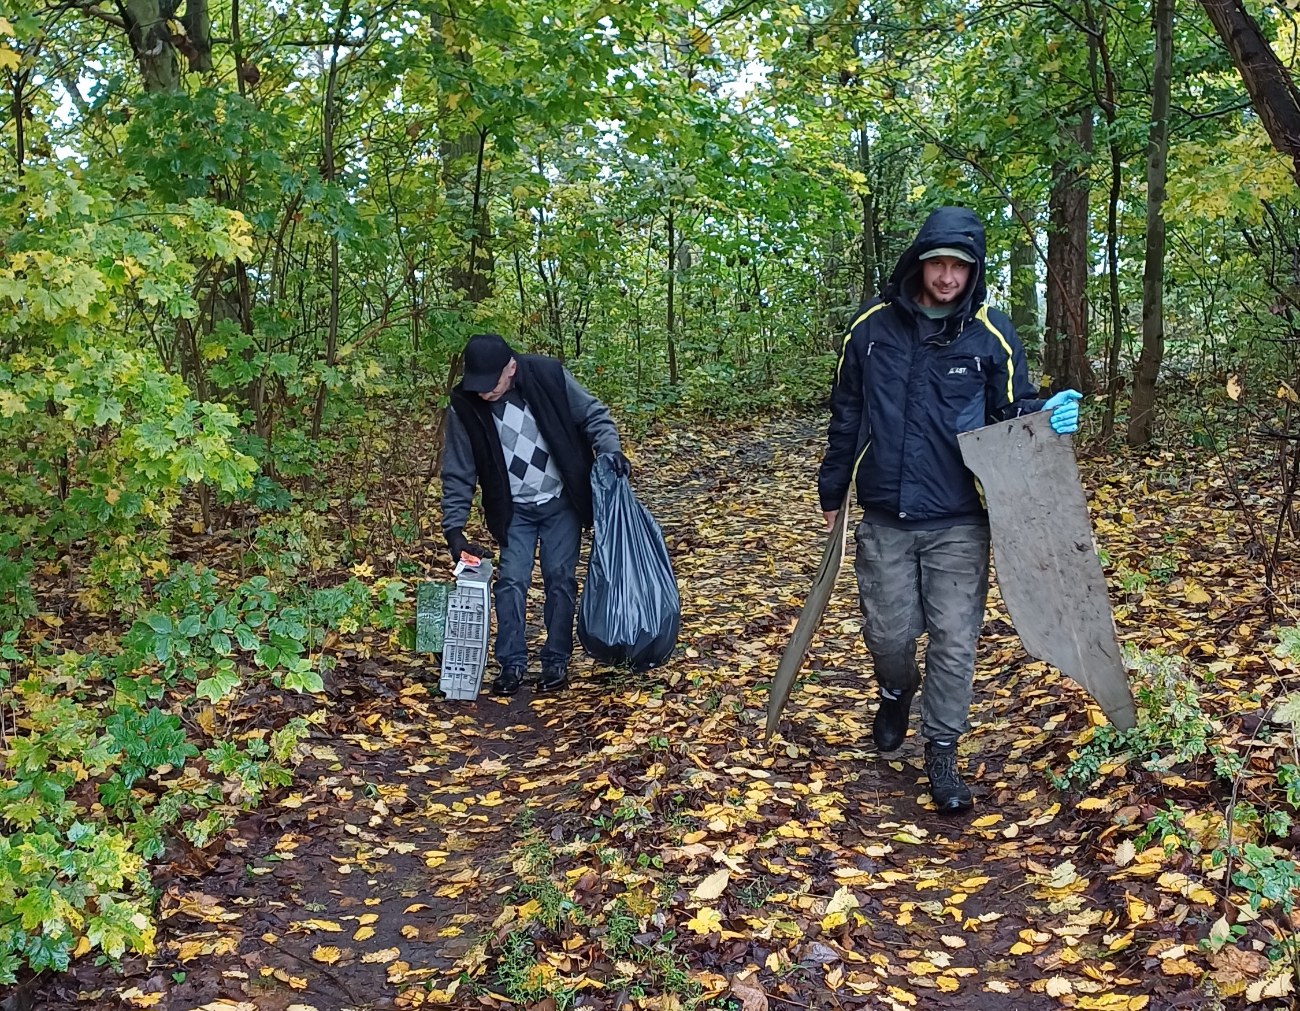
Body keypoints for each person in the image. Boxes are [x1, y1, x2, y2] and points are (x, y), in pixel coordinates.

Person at [817, 206, 1081, 813]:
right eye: (937, 262)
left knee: (955, 642)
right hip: (884, 513)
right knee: (888, 635)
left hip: (960, 517)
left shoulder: (990, 332)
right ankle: (894, 691)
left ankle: (941, 751)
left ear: (973, 271)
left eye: (959, 266)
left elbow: (1011, 412)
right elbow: (847, 414)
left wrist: (1045, 420)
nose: (946, 276)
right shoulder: (872, 329)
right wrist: (833, 492)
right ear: (918, 261)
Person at [441, 333, 629, 695]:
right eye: (475, 385)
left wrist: (610, 450)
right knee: (511, 581)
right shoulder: (464, 404)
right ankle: (511, 664)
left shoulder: (548, 375)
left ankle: (556, 661)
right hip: (514, 511)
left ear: (511, 368)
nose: (482, 393)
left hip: (562, 502)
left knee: (560, 578)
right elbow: (458, 470)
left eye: (489, 384)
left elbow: (594, 415)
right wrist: (454, 529)